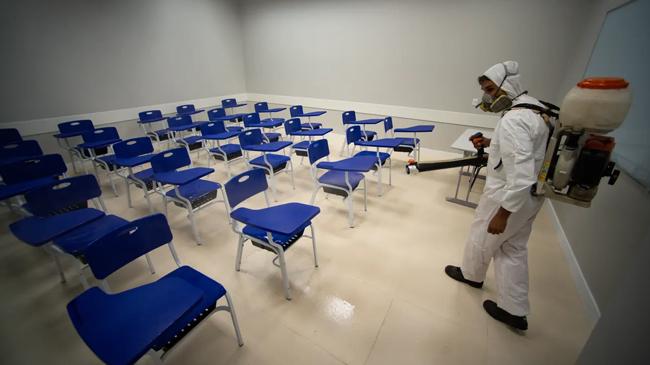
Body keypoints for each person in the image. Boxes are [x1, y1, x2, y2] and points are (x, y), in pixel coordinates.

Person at [444, 60, 549, 331]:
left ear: (508, 85)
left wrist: (503, 212)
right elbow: (528, 152)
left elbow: (521, 172)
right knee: (512, 248)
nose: (489, 96)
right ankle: (514, 310)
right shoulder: (537, 109)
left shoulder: (514, 119)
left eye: (491, 89)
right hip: (531, 197)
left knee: (483, 237)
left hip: (509, 195)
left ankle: (471, 276)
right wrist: (494, 143)